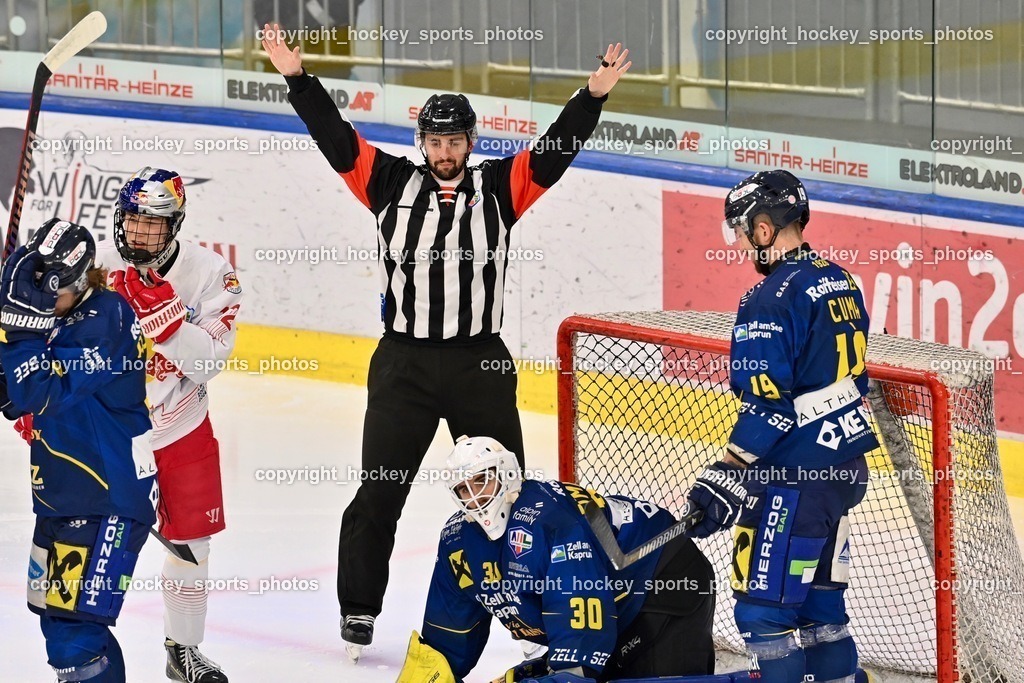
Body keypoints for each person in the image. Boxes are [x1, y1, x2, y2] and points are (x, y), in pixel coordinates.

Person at [261, 23, 634, 658]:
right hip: (403, 361)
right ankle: (358, 608)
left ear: (469, 144)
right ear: (422, 144)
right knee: (379, 487)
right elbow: (334, 138)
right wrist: (299, 79)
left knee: (510, 491)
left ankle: (537, 612)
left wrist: (592, 96)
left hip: (478, 364)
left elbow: (554, 152)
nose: (444, 153)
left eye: (454, 142)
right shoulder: (387, 184)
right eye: (435, 142)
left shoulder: (499, 189)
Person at [685, 170, 877, 682]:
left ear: (764, 229)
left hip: (794, 478)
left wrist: (728, 467)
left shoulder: (767, 299)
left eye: (743, 231)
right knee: (821, 614)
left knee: (763, 616)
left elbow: (769, 403)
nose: (743, 243)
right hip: (843, 470)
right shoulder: (840, 279)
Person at [397, 436, 716, 683]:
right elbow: (447, 639)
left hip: (664, 579)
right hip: (613, 607)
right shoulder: (458, 541)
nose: (475, 496)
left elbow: (582, 629)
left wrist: (569, 671)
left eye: (482, 480)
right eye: (464, 489)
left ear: (506, 473)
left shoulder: (552, 523)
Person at [94, 167, 242, 683]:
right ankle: (85, 644)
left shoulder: (209, 273)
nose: (139, 233)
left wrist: (168, 320)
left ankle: (183, 650)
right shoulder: (100, 267)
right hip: (112, 430)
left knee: (191, 544)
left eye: (153, 225)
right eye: (132, 220)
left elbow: (210, 361)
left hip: (182, 422)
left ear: (175, 225)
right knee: (96, 540)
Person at [0, 218, 156, 682]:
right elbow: (14, 395)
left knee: (75, 637)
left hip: (107, 498)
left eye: (50, 297)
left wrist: (20, 331)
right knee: (63, 618)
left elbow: (37, 392)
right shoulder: (61, 315)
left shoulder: (107, 319)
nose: (43, 305)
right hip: (64, 493)